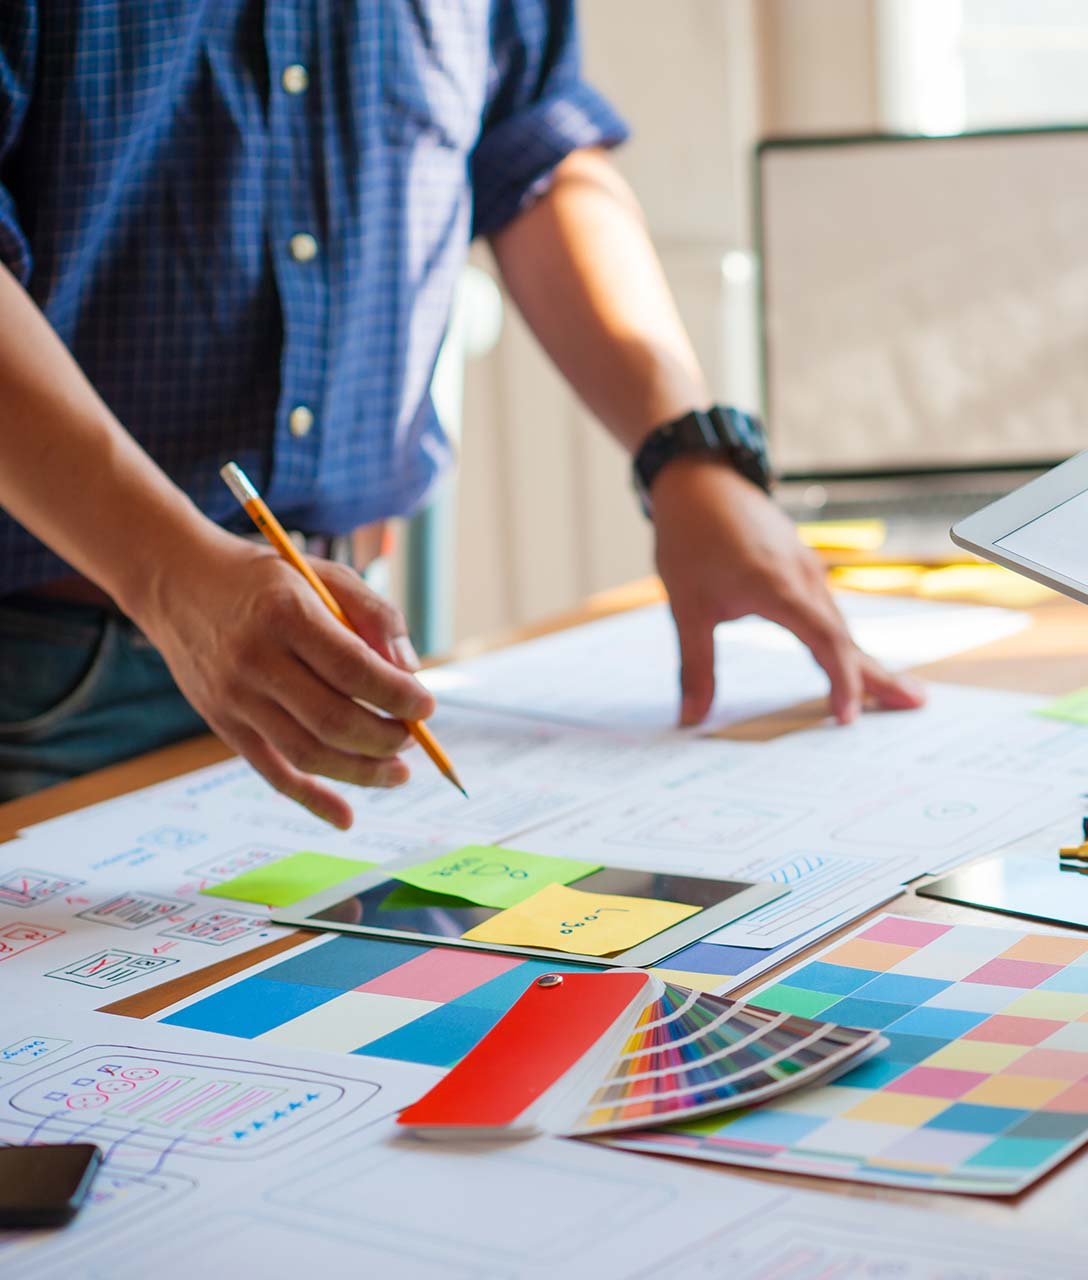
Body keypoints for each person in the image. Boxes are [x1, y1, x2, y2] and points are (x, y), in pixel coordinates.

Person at [0, 4, 923, 825]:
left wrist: (686, 451)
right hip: (43, 672)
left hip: (349, 637)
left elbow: (532, 147)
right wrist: (168, 572)